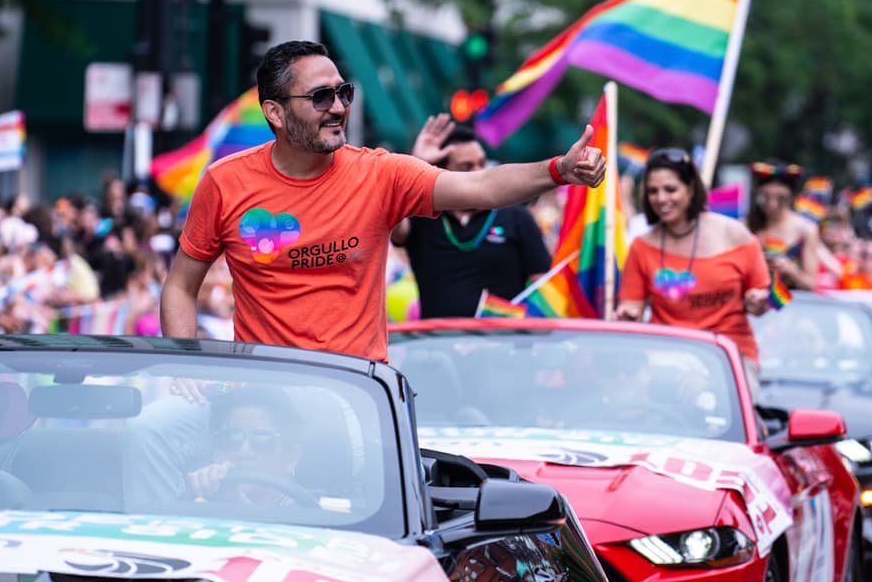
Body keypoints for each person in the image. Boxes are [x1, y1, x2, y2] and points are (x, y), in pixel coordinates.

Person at [160, 41, 604, 362]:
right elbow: (180, 286)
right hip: (264, 402)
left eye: (343, 93)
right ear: (275, 112)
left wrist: (557, 171)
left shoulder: (380, 172)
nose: (338, 107)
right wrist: (183, 366)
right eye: (320, 97)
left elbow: (482, 187)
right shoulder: (225, 181)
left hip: (356, 396)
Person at [615, 149, 772, 388]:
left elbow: (763, 297)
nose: (661, 199)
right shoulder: (641, 246)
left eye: (670, 189)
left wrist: (759, 301)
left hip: (729, 357)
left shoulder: (735, 235)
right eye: (653, 191)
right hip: (664, 362)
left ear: (690, 188)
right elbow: (631, 306)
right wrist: (627, 315)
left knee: (703, 394)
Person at [391, 120, 551, 318]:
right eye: (466, 167)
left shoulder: (515, 216)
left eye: (482, 163)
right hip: (436, 344)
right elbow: (394, 221)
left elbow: (543, 290)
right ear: (440, 172)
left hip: (507, 344)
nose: (478, 173)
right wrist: (415, 164)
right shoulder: (420, 215)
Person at [185, 388, 305, 505]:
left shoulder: (313, 515)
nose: (244, 451)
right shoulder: (191, 513)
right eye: (231, 438)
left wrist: (236, 505)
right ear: (216, 452)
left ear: (291, 457)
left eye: (262, 439)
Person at [745, 162, 819, 291]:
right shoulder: (745, 225)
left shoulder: (806, 229)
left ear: (791, 197)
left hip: (792, 305)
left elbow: (811, 284)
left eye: (780, 199)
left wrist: (789, 269)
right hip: (752, 302)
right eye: (765, 198)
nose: (772, 204)